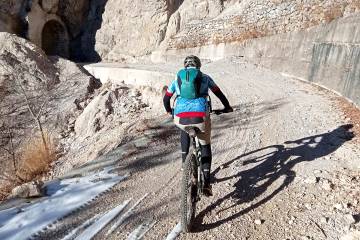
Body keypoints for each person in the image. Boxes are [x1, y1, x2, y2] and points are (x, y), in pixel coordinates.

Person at [163, 55, 233, 196]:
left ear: (185, 66)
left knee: (184, 128)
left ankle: (185, 163)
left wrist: (169, 111)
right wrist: (227, 107)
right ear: (199, 66)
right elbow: (219, 94)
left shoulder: (178, 78)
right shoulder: (205, 77)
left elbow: (166, 98)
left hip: (180, 117)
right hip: (200, 117)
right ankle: (206, 183)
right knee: (205, 145)